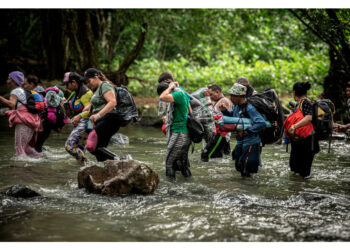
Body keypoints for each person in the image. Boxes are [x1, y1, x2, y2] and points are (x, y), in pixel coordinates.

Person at [84, 68, 135, 162]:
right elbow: (101, 101)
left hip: (110, 119)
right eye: (86, 82)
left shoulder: (105, 86)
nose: (88, 83)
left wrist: (98, 115)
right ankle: (116, 162)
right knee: (98, 149)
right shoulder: (97, 89)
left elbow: (112, 102)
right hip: (102, 120)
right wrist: (90, 106)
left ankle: (119, 159)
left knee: (91, 145)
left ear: (96, 77)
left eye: (89, 80)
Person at [218, 83, 266, 177]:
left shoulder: (249, 108)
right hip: (241, 142)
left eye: (232, 96)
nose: (230, 98)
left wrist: (246, 132)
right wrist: (224, 111)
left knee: (245, 169)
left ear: (239, 96)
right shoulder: (236, 106)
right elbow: (233, 116)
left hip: (251, 142)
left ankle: (249, 189)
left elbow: (261, 123)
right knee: (238, 166)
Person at [0, 71, 42, 157]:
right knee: (26, 148)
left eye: (9, 79)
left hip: (24, 121)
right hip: (32, 120)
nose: (7, 81)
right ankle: (42, 159)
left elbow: (11, 104)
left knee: (19, 148)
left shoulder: (15, 91)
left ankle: (21, 168)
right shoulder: (23, 91)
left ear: (14, 81)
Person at [157, 77, 192, 180]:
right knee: (182, 164)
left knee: (169, 163)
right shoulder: (181, 93)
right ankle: (189, 183)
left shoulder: (178, 94)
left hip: (179, 133)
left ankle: (170, 189)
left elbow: (162, 97)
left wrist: (170, 87)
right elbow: (188, 111)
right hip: (183, 134)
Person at [286, 82, 320, 179]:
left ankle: (303, 191)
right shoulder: (300, 104)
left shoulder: (305, 102)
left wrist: (294, 126)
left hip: (307, 142)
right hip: (300, 142)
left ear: (294, 92)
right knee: (296, 170)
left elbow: (308, 118)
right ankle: (298, 189)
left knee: (304, 173)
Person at [61, 72, 93, 164]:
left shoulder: (86, 94)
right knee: (80, 149)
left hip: (87, 123)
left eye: (67, 84)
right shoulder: (75, 93)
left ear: (74, 82)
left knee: (69, 146)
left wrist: (79, 117)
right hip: (79, 124)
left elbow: (91, 111)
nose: (66, 87)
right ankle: (84, 168)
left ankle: (88, 164)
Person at [201, 84, 232, 162]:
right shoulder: (218, 101)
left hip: (222, 134)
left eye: (211, 94)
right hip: (219, 133)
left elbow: (229, 117)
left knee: (205, 155)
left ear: (217, 92)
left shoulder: (224, 101)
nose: (210, 97)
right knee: (217, 157)